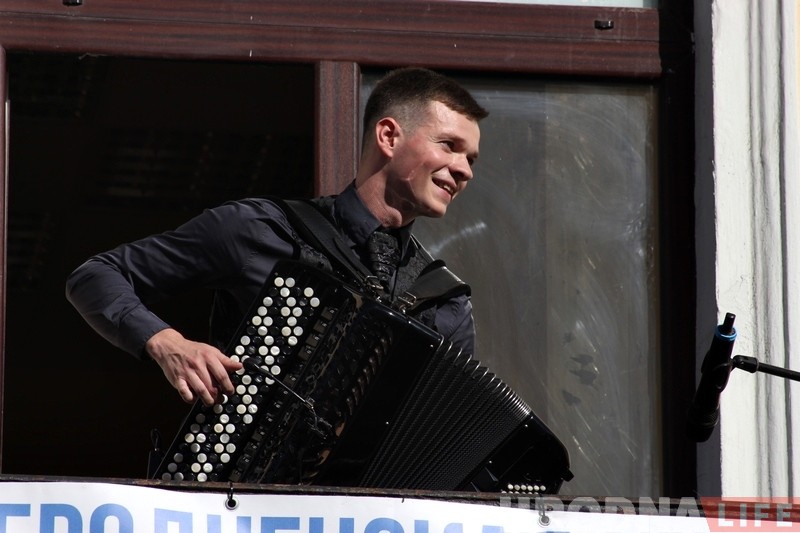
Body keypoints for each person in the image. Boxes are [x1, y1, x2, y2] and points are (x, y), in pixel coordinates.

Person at [66, 67, 488, 408]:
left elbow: (447, 426)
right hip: (243, 506)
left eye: (470, 158)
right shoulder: (259, 231)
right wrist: (167, 343)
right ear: (389, 137)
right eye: (449, 146)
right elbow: (96, 276)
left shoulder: (445, 303)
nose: (464, 169)